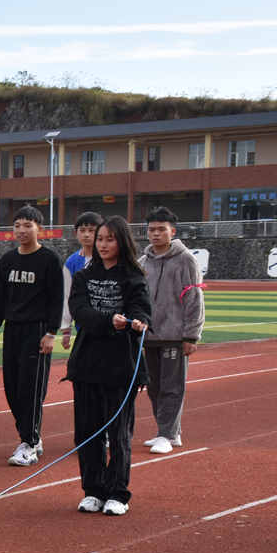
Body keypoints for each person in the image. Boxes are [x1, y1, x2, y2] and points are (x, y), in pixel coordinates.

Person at [66, 215, 151, 516]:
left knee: (118, 434)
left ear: (122, 242)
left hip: (121, 366)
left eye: (109, 239)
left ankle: (118, 492)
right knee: (86, 431)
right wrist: (107, 321)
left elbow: (142, 308)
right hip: (87, 363)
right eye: (100, 239)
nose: (103, 244)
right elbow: (80, 311)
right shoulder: (84, 277)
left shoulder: (133, 277)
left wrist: (138, 321)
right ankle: (93, 490)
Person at [0, 205, 63, 467]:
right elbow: (0, 297)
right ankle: (31, 436)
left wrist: (52, 332)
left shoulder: (49, 260)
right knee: (13, 388)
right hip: (13, 330)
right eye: (17, 225)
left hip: (38, 330)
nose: (22, 230)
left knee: (31, 389)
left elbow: (56, 299)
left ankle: (29, 443)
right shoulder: (7, 260)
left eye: (27, 225)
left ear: (39, 229)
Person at [140, 206, 205, 455]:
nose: (155, 234)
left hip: (175, 336)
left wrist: (191, 335)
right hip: (149, 336)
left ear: (172, 231)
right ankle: (170, 431)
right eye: (151, 230)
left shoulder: (185, 259)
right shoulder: (142, 262)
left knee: (172, 386)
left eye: (161, 229)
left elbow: (194, 297)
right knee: (153, 387)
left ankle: (165, 434)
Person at [59, 212, 102, 350]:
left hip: (108, 323)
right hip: (83, 326)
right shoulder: (71, 262)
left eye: (91, 231)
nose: (87, 235)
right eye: (82, 230)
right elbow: (66, 295)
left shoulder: (109, 257)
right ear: (76, 233)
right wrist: (66, 328)